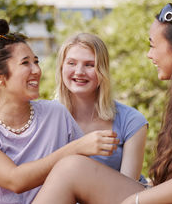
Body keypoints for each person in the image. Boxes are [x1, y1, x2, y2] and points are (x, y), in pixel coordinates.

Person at [32, 2, 172, 204]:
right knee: (70, 168)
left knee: (72, 168)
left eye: (153, 45)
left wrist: (136, 200)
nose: (149, 55)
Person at [0, 19, 119, 204]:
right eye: (25, 63)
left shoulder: (56, 113)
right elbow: (14, 180)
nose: (37, 70)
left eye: (36, 61)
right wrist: (77, 147)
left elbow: (85, 176)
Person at [56, 33, 148, 181]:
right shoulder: (45, 116)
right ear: (61, 68)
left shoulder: (132, 121)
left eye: (89, 65)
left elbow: (127, 190)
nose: (79, 72)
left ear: (102, 70)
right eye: (71, 63)